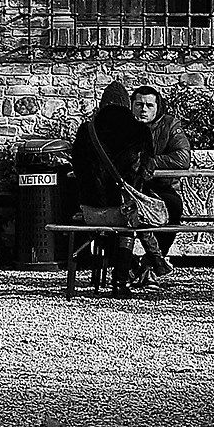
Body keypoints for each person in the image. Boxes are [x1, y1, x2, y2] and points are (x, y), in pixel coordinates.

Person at [70, 81, 153, 295]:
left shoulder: (86, 129)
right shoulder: (141, 130)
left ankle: (112, 275)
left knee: (111, 224)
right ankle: (120, 284)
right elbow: (146, 172)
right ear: (127, 103)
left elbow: (77, 168)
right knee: (128, 221)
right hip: (122, 212)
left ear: (102, 103)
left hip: (91, 212)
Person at [129, 85, 193, 275]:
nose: (143, 109)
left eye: (149, 105)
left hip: (159, 186)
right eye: (139, 104)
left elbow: (182, 159)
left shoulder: (170, 125)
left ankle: (148, 264)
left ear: (158, 107)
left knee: (173, 207)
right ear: (132, 105)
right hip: (128, 187)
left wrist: (149, 161)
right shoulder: (123, 125)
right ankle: (128, 266)